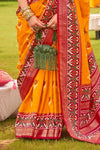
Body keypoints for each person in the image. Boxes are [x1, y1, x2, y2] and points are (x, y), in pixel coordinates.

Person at [15, 0, 100, 144]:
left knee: (56, 64)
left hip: (61, 11)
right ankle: (32, 119)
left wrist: (63, 14)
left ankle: (53, 120)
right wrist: (28, 14)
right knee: (34, 65)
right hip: (31, 11)